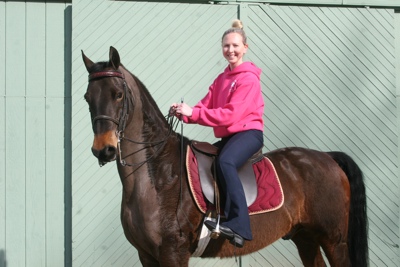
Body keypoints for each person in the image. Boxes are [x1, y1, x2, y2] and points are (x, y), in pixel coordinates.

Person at [171, 20, 264, 248]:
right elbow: (204, 106)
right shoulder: (221, 79)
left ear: (245, 48)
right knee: (206, 159)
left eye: (235, 45)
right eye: (226, 46)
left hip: (249, 133)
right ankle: (217, 215)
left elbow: (231, 115)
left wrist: (194, 112)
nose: (230, 50)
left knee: (226, 161)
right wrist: (184, 113)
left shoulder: (248, 79)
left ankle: (240, 226)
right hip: (230, 136)